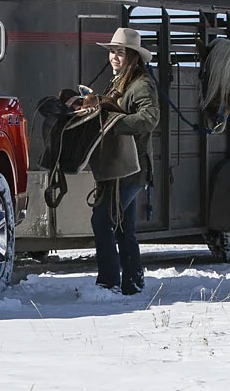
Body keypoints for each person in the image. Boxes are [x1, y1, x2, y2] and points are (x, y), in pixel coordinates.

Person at [84, 27, 159, 295]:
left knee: (102, 220)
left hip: (132, 167)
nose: (115, 57)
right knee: (124, 226)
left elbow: (150, 118)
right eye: (113, 52)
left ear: (133, 56)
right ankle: (133, 282)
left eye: (120, 52)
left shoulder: (141, 84)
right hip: (123, 166)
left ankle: (108, 283)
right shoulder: (120, 82)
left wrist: (114, 123)